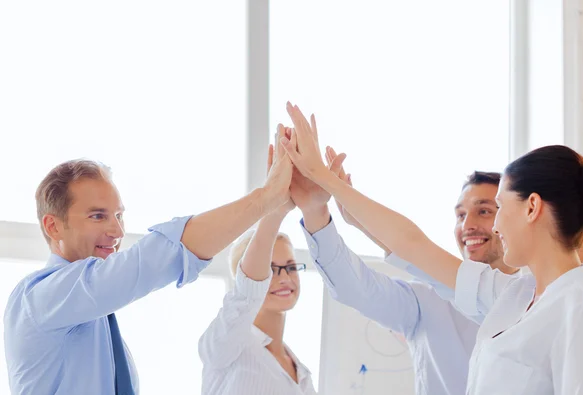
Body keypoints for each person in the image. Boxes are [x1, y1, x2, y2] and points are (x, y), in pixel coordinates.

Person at [281, 102, 583, 394]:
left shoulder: (582, 309)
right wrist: (331, 190)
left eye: (497, 208)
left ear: (532, 207)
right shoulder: (515, 295)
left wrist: (325, 179)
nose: (496, 225)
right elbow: (413, 245)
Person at [3, 127, 294, 395]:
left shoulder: (94, 314)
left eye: (119, 215)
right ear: (53, 226)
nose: (117, 231)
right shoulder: (41, 297)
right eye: (98, 215)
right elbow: (152, 260)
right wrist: (266, 199)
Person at [287, 133, 516, 394]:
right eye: (460, 215)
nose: (467, 226)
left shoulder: (534, 296)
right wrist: (315, 210)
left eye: (484, 211)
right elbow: (353, 285)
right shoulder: (425, 302)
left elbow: (411, 244)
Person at [198, 141, 317, 394]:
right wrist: (275, 208)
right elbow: (246, 293)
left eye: (291, 267)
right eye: (271, 269)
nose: (285, 278)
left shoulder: (302, 373)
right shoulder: (227, 346)